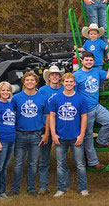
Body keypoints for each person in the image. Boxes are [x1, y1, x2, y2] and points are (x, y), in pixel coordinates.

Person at [49, 73, 89, 197]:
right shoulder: (56, 98)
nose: (69, 84)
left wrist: (81, 134)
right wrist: (53, 134)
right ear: (62, 83)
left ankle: (83, 188)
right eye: (66, 82)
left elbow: (84, 117)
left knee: (80, 164)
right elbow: (52, 116)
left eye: (71, 82)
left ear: (74, 83)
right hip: (60, 137)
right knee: (61, 164)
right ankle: (61, 188)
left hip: (76, 136)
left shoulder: (80, 98)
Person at [74, 51, 109, 170]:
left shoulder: (96, 71)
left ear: (94, 61)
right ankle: (93, 162)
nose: (89, 62)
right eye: (86, 60)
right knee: (87, 136)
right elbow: (74, 94)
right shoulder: (77, 75)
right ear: (82, 61)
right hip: (85, 110)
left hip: (96, 106)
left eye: (91, 60)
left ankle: (101, 140)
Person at [10, 71, 47, 196]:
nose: (30, 82)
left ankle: (31, 188)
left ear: (36, 82)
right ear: (23, 82)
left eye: (32, 80)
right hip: (20, 134)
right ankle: (15, 189)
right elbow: (11, 116)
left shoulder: (42, 98)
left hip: (36, 135)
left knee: (33, 164)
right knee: (18, 164)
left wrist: (46, 133)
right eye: (27, 80)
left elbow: (47, 116)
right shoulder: (16, 98)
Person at [37, 65, 64, 195]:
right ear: (48, 77)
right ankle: (43, 186)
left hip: (62, 128)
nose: (54, 76)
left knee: (62, 160)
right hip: (46, 128)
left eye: (57, 74)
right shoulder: (42, 91)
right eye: (52, 74)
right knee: (44, 159)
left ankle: (64, 186)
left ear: (60, 77)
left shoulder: (65, 89)